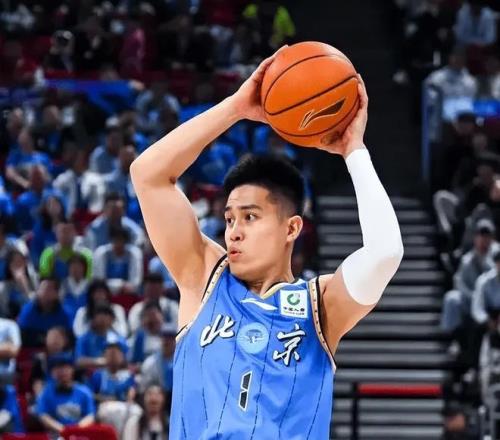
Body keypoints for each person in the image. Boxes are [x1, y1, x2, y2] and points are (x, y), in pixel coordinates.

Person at [130, 47, 404, 438]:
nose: (233, 231)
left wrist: (353, 151)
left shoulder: (320, 305)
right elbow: (148, 175)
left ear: (291, 229)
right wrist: (234, 108)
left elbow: (385, 252)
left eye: (250, 217)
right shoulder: (204, 277)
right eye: (229, 219)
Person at [35, 352, 95, 435]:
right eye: (58, 368)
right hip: (56, 433)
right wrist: (63, 430)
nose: (62, 372)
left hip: (80, 432)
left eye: (66, 368)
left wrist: (77, 429)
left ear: (72, 370)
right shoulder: (45, 393)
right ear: (52, 372)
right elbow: (43, 416)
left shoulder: (84, 391)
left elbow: (90, 416)